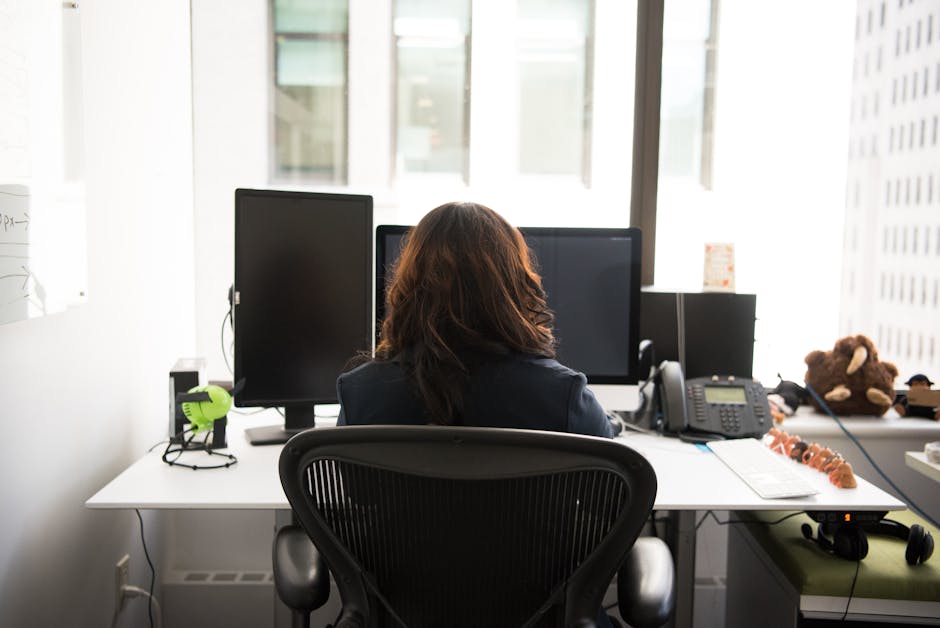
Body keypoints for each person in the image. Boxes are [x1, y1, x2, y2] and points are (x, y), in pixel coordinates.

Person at [336, 201, 613, 439]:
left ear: (410, 284)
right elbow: (614, 490)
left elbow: (345, 486)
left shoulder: (360, 395)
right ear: (513, 286)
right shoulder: (563, 396)